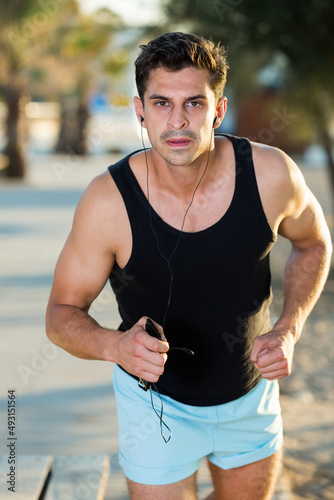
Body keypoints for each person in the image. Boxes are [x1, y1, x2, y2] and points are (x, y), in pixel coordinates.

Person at [46, 32, 332, 500]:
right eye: (161, 103)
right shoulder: (107, 202)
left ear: (218, 110)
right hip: (154, 408)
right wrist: (114, 346)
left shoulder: (271, 174)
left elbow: (314, 244)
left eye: (194, 104)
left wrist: (289, 328)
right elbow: (60, 313)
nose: (178, 121)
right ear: (140, 110)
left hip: (249, 396)